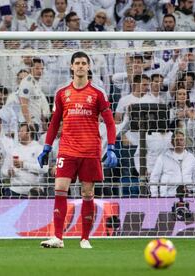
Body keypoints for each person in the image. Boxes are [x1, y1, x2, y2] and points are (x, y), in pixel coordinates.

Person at [38, 51, 117, 249]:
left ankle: (84, 238)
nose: (81, 66)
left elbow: (110, 123)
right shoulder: (62, 93)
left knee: (87, 193)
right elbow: (54, 123)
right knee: (60, 189)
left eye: (84, 63)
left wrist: (113, 147)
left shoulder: (98, 94)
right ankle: (58, 237)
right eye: (77, 63)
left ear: (88, 67)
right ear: (72, 67)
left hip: (90, 151)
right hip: (67, 150)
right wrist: (47, 147)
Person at [149, 130, 195, 197]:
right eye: (176, 140)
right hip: (167, 196)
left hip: (188, 195)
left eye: (181, 140)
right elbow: (154, 177)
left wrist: (194, 193)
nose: (179, 142)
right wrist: (154, 195)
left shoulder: (191, 157)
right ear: (172, 142)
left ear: (185, 142)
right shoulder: (163, 157)